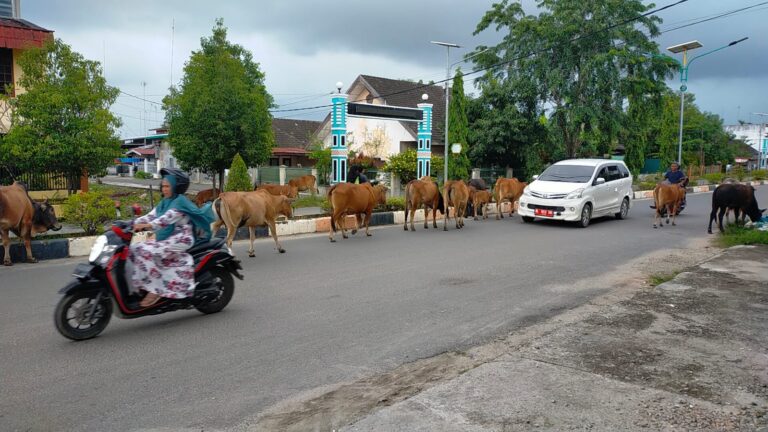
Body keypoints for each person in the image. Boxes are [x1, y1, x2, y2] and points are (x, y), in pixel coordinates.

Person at [131, 169, 215, 307]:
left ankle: (156, 289)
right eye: (163, 186)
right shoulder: (166, 201)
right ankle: (143, 283)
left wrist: (147, 225)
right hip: (166, 234)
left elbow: (165, 219)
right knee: (135, 245)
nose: (164, 189)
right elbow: (151, 215)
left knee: (148, 251)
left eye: (167, 186)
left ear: (176, 187)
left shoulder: (180, 202)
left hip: (182, 237)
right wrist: (131, 223)